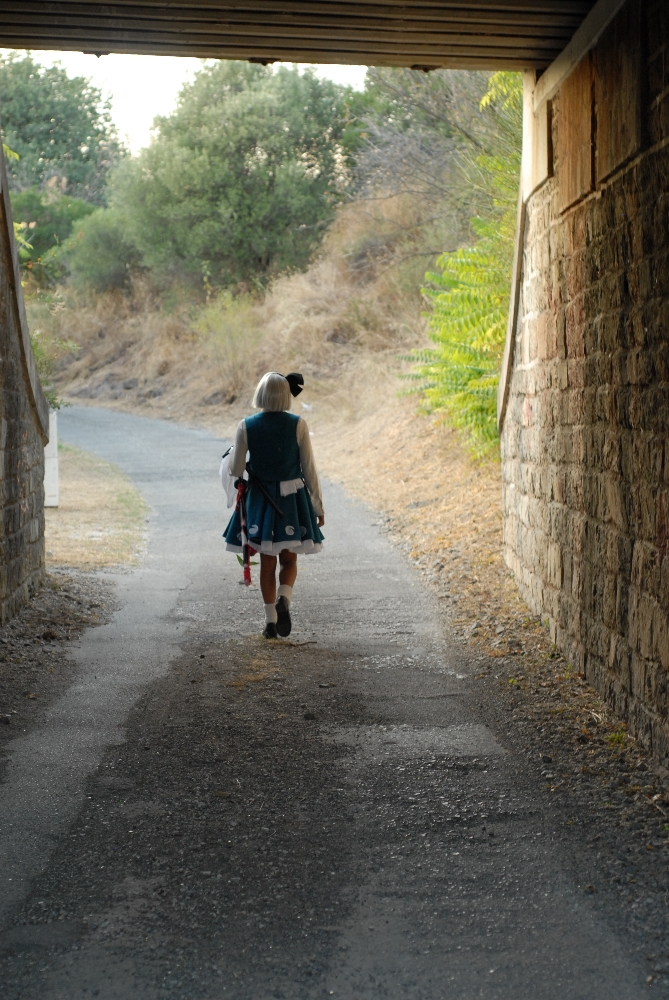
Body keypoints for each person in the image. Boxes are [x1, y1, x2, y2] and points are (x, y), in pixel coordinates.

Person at [223, 371, 324, 638]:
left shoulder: (246, 425)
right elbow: (309, 469)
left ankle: (270, 622)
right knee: (289, 559)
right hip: (292, 500)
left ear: (261, 394)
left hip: (262, 500)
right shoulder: (298, 425)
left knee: (267, 563)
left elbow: (235, 470)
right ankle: (284, 600)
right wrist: (317, 507)